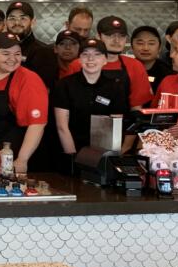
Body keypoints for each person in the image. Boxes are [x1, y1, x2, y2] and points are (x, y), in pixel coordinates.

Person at [0, 33, 49, 174]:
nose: (12, 59)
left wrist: (22, 160)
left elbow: (37, 125)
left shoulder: (29, 80)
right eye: (6, 53)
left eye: (17, 54)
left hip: (10, 159)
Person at [53, 38, 132, 170]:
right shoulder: (65, 85)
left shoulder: (115, 87)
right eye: (85, 54)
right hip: (70, 150)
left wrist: (109, 158)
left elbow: (115, 126)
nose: (91, 59)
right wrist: (73, 158)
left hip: (103, 154)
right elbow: (62, 126)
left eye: (97, 54)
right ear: (79, 59)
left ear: (105, 60)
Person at [4, 1, 58, 90]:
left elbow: (43, 89)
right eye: (12, 18)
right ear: (6, 23)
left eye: (23, 18)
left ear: (33, 22)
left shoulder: (44, 51)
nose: (17, 22)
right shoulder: (0, 50)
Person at [130, 25, 172, 93]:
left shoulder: (168, 74)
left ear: (159, 48)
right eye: (140, 43)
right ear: (132, 47)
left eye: (151, 43)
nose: (145, 48)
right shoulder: (125, 71)